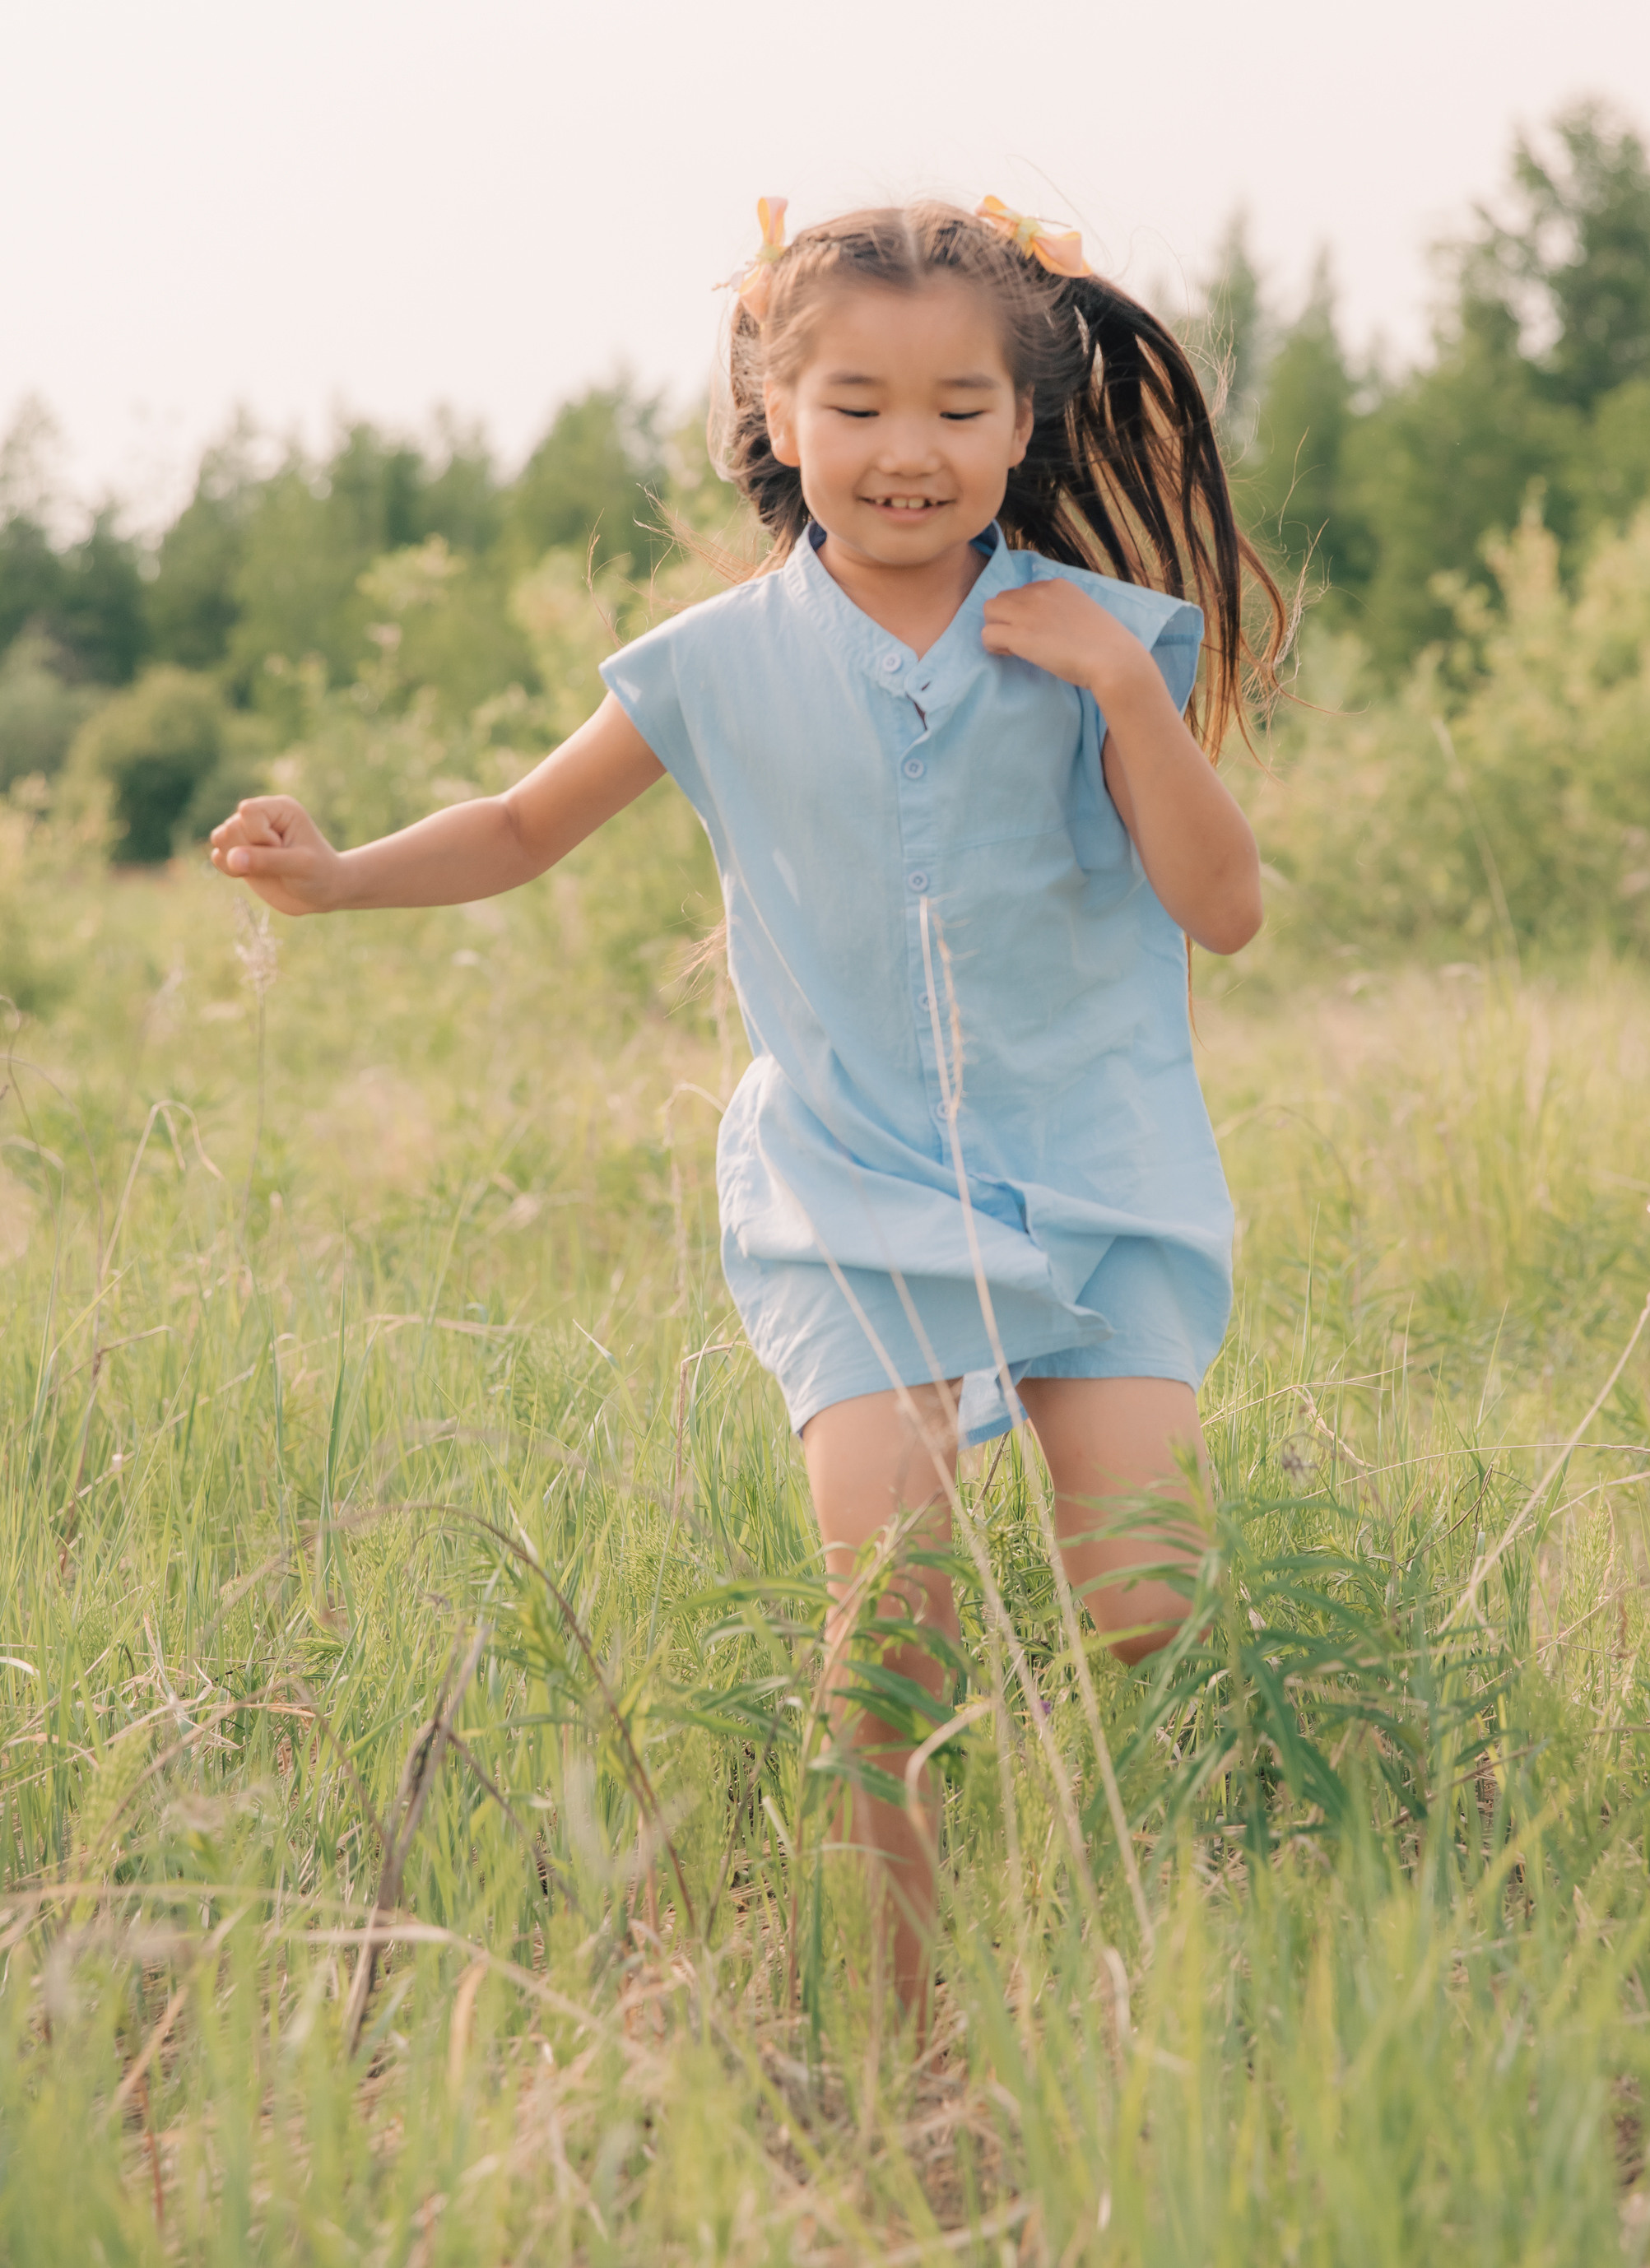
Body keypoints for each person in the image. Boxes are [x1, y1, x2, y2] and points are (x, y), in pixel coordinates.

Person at [210, 196, 1284, 2015]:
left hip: (1101, 1179)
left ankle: (1184, 1963)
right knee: (893, 1645)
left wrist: (1125, 691)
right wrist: (338, 876)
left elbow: (1227, 908)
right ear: (776, 418)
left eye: (959, 407)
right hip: (851, 1191)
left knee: (1145, 1607)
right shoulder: (713, 663)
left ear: (1023, 426)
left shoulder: (1117, 636)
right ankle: (897, 2025)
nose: (909, 450)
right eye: (857, 402)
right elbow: (524, 825)